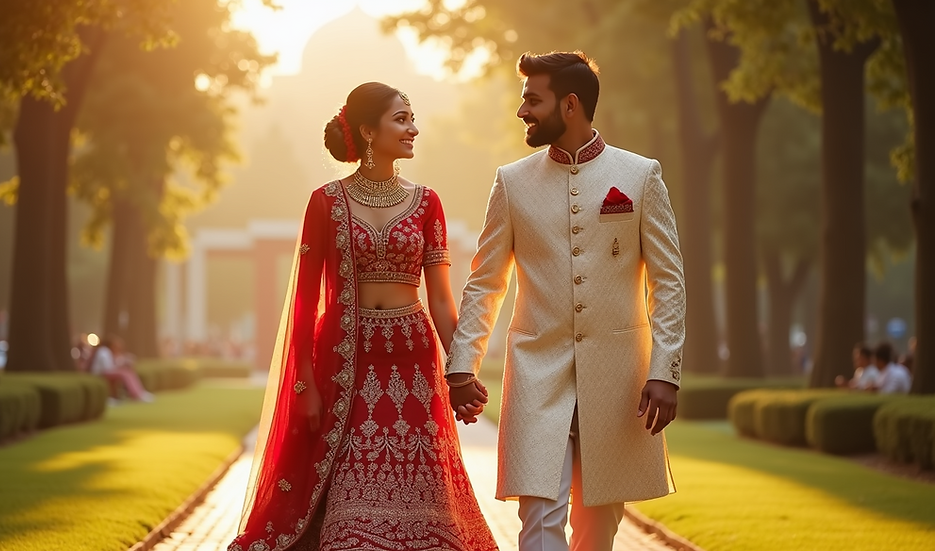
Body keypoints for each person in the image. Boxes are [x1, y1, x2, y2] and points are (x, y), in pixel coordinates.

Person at [228, 83, 497, 551]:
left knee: (426, 497)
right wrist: (305, 384)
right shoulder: (326, 201)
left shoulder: (428, 202)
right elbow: (304, 302)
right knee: (348, 513)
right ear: (369, 131)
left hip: (414, 365)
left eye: (413, 118)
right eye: (402, 119)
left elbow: (440, 302)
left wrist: (461, 371)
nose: (414, 129)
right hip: (345, 364)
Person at [445, 51, 686, 551]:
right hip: (536, 376)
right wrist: (462, 364)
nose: (522, 111)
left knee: (597, 533)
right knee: (538, 525)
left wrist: (664, 370)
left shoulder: (640, 177)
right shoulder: (511, 182)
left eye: (532, 99)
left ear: (570, 105)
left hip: (619, 381)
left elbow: (669, 282)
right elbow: (486, 281)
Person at [89, 335, 153, 403]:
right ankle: (136, 394)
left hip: (106, 372)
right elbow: (107, 368)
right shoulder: (104, 352)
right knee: (125, 374)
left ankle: (140, 392)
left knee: (128, 372)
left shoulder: (111, 353)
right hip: (100, 374)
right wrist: (121, 365)